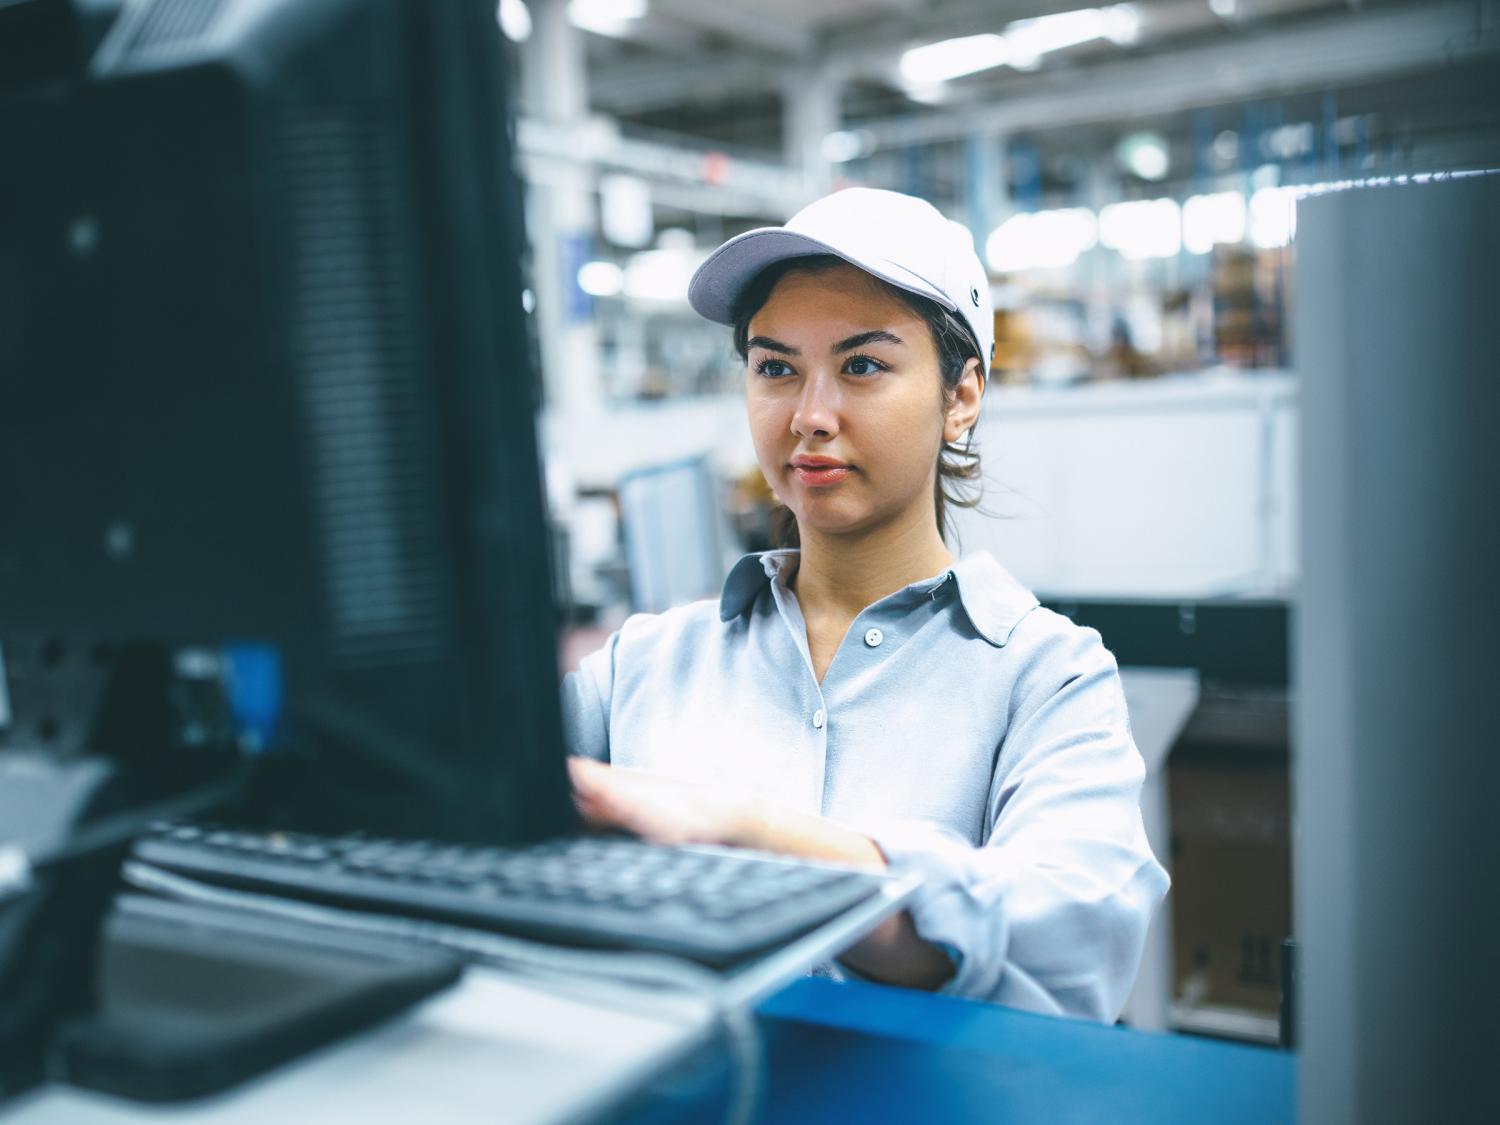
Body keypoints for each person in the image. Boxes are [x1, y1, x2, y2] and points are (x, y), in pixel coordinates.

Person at [563, 188, 1168, 1022]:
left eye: (862, 365)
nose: (809, 416)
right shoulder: (642, 664)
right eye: (776, 368)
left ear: (962, 396)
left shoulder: (1049, 678)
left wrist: (755, 838)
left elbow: (1067, 944)